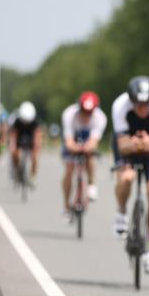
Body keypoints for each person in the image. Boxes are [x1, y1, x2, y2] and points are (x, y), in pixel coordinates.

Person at [111, 76, 149, 274]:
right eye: (138, 104)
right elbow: (122, 144)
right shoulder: (120, 106)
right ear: (131, 100)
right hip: (127, 144)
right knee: (127, 177)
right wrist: (133, 144)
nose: (143, 108)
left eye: (147, 104)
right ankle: (121, 212)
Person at [60, 91, 108, 220]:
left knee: (90, 157)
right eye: (84, 111)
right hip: (73, 136)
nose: (86, 115)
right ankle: (66, 205)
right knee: (69, 169)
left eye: (89, 112)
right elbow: (69, 140)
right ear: (79, 108)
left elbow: (94, 141)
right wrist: (74, 147)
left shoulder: (100, 118)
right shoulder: (69, 114)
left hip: (88, 136)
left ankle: (92, 184)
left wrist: (88, 148)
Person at [8, 101, 42, 186]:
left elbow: (38, 134)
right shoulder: (17, 121)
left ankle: (32, 177)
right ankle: (16, 169)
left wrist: (36, 146)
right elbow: (13, 135)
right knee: (14, 153)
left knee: (35, 157)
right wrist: (13, 147)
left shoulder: (35, 121)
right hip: (19, 137)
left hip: (30, 138)